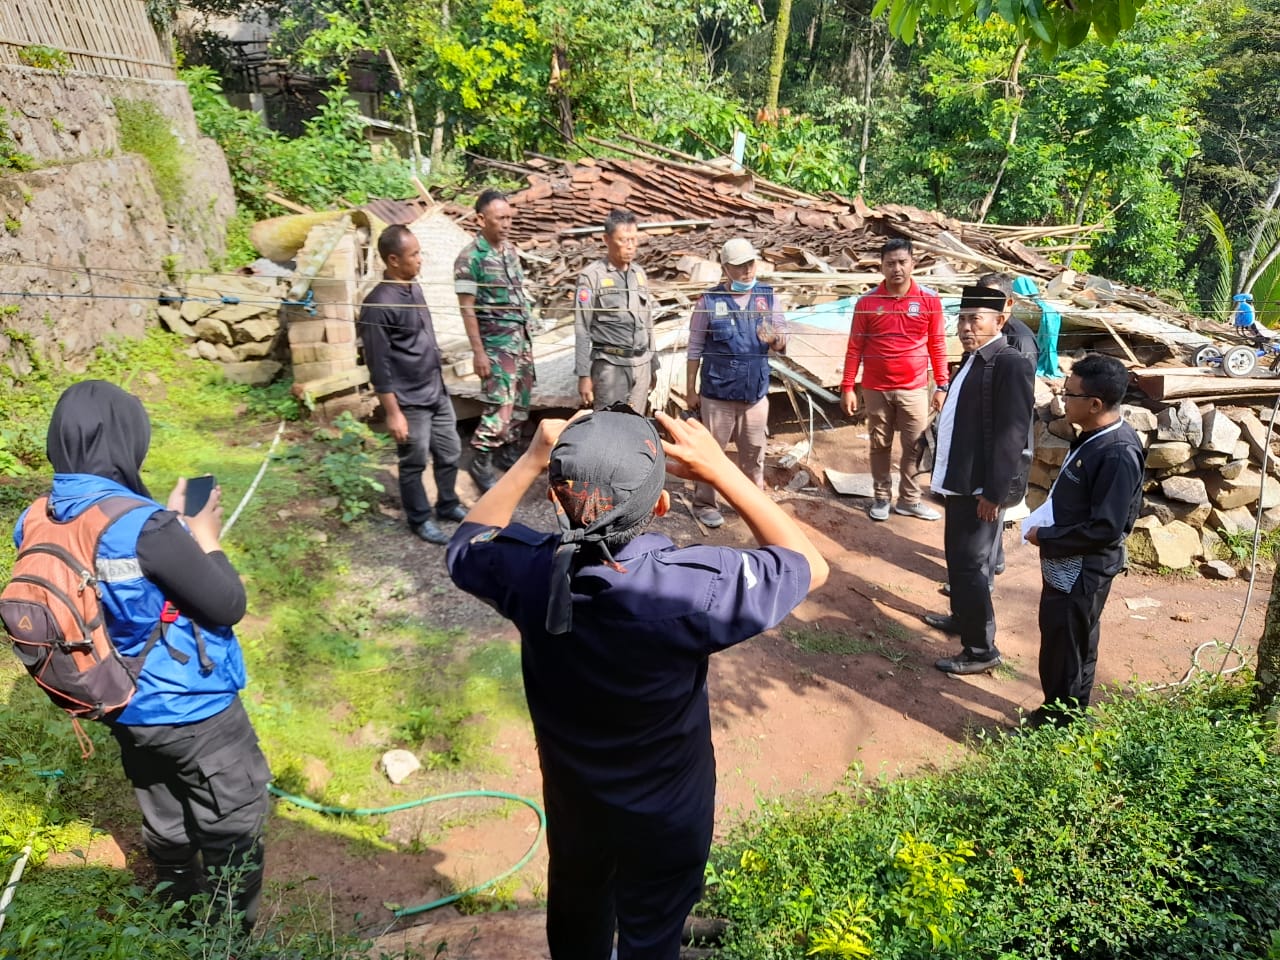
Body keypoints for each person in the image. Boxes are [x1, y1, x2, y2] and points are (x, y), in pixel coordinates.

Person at [446, 408, 828, 960]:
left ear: (556, 500)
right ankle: (654, 930)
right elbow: (809, 566)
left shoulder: (525, 572)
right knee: (655, 925)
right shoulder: (690, 590)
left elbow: (467, 543)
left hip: (576, 799)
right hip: (667, 811)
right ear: (661, 506)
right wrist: (724, 472)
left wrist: (532, 457)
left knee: (578, 900)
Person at [13, 381, 271, 927]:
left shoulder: (36, 517)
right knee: (233, 822)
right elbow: (227, 603)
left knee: (165, 816)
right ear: (130, 437)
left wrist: (167, 523)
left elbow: (109, 575)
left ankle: (178, 918)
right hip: (194, 711)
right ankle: (227, 938)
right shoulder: (146, 527)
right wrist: (204, 534)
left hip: (116, 701)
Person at [1023, 354, 1144, 726]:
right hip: (1067, 564)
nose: (1062, 400)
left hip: (1083, 569)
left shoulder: (1118, 453)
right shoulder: (1092, 436)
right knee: (1070, 642)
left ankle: (1058, 725)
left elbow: (1105, 528)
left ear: (1095, 404)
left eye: (1069, 393)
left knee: (1067, 648)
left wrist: (1047, 536)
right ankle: (1067, 715)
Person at [922, 286, 1035, 675]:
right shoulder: (971, 361)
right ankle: (961, 619)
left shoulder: (1009, 364)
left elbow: (1012, 434)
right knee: (957, 558)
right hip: (959, 482)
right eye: (963, 319)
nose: (966, 327)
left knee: (971, 564)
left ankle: (981, 649)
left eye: (976, 319)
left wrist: (994, 493)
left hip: (981, 489)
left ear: (999, 321)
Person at [358, 224, 465, 545]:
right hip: (409, 400)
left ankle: (447, 504)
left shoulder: (413, 287)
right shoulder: (377, 305)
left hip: (436, 391)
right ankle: (420, 519)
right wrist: (393, 413)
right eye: (414, 254)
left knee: (450, 451)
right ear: (393, 260)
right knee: (413, 462)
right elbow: (379, 364)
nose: (420, 260)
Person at [840, 238, 949, 522]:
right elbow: (855, 347)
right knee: (879, 444)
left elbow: (937, 345)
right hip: (876, 388)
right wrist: (848, 387)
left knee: (915, 446)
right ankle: (881, 497)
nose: (897, 268)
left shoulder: (929, 300)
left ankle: (910, 500)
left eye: (902, 262)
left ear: (913, 263)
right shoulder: (867, 303)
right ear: (881, 267)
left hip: (914, 387)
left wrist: (942, 384)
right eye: (890, 263)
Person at [685, 237, 788, 529]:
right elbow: (694, 348)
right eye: (739, 266)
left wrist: (775, 338)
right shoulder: (709, 301)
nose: (747, 271)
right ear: (725, 268)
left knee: (754, 452)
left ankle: (752, 501)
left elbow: (783, 337)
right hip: (717, 394)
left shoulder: (767, 298)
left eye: (750, 263)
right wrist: (690, 390)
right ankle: (705, 502)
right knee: (711, 453)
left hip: (754, 393)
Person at [455, 188, 535, 492]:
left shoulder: (509, 251)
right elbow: (466, 308)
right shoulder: (470, 258)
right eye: (500, 218)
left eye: (509, 218)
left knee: (520, 406)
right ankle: (480, 461)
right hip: (495, 346)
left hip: (520, 342)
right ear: (480, 219)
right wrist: (479, 353)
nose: (506, 224)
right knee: (498, 410)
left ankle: (508, 453)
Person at [574, 208, 655, 412]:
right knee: (608, 426)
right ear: (606, 239)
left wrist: (653, 364)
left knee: (636, 426)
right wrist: (584, 375)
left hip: (641, 363)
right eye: (623, 240)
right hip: (611, 366)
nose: (630, 247)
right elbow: (582, 328)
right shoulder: (591, 277)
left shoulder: (639, 274)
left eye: (634, 240)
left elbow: (648, 323)